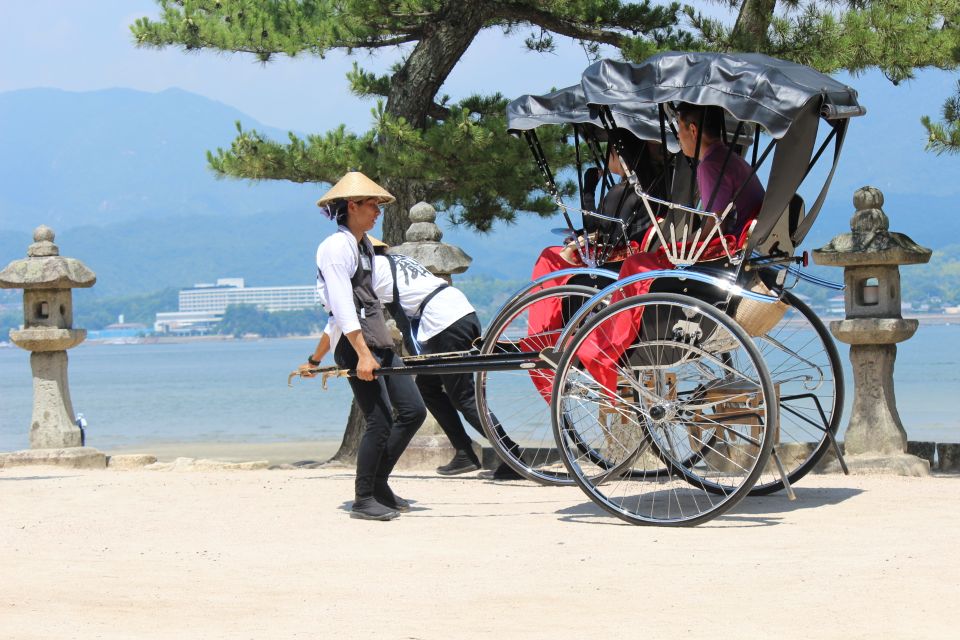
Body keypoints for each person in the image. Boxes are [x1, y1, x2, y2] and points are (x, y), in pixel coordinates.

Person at [579, 103, 766, 393]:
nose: (678, 138)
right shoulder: (728, 158)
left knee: (636, 265)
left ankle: (613, 344)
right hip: (739, 250)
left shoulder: (709, 163)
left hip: (721, 257)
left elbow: (715, 223)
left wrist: (688, 248)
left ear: (693, 129)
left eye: (679, 129)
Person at [306, 245, 522, 478]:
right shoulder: (398, 261)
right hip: (459, 314)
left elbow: (341, 318)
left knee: (464, 397)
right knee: (427, 389)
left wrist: (314, 361)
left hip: (443, 324)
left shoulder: (370, 272)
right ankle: (464, 451)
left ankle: (512, 456)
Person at [305, 171, 427, 521]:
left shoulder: (365, 247)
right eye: (372, 205)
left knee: (413, 410)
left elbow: (379, 298)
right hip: (358, 345)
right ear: (352, 205)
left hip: (380, 340)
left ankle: (379, 484)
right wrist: (360, 354)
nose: (378, 211)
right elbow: (342, 307)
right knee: (379, 420)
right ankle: (363, 498)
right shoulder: (334, 247)